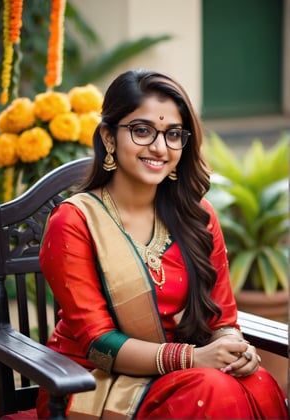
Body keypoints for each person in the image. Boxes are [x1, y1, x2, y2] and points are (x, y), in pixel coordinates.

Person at [36, 69, 288, 419]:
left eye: (173, 134)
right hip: (94, 382)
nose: (159, 147)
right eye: (142, 131)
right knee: (213, 389)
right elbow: (98, 344)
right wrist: (194, 358)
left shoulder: (197, 216)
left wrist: (233, 348)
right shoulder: (75, 223)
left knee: (258, 382)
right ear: (109, 138)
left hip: (187, 374)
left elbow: (222, 317)